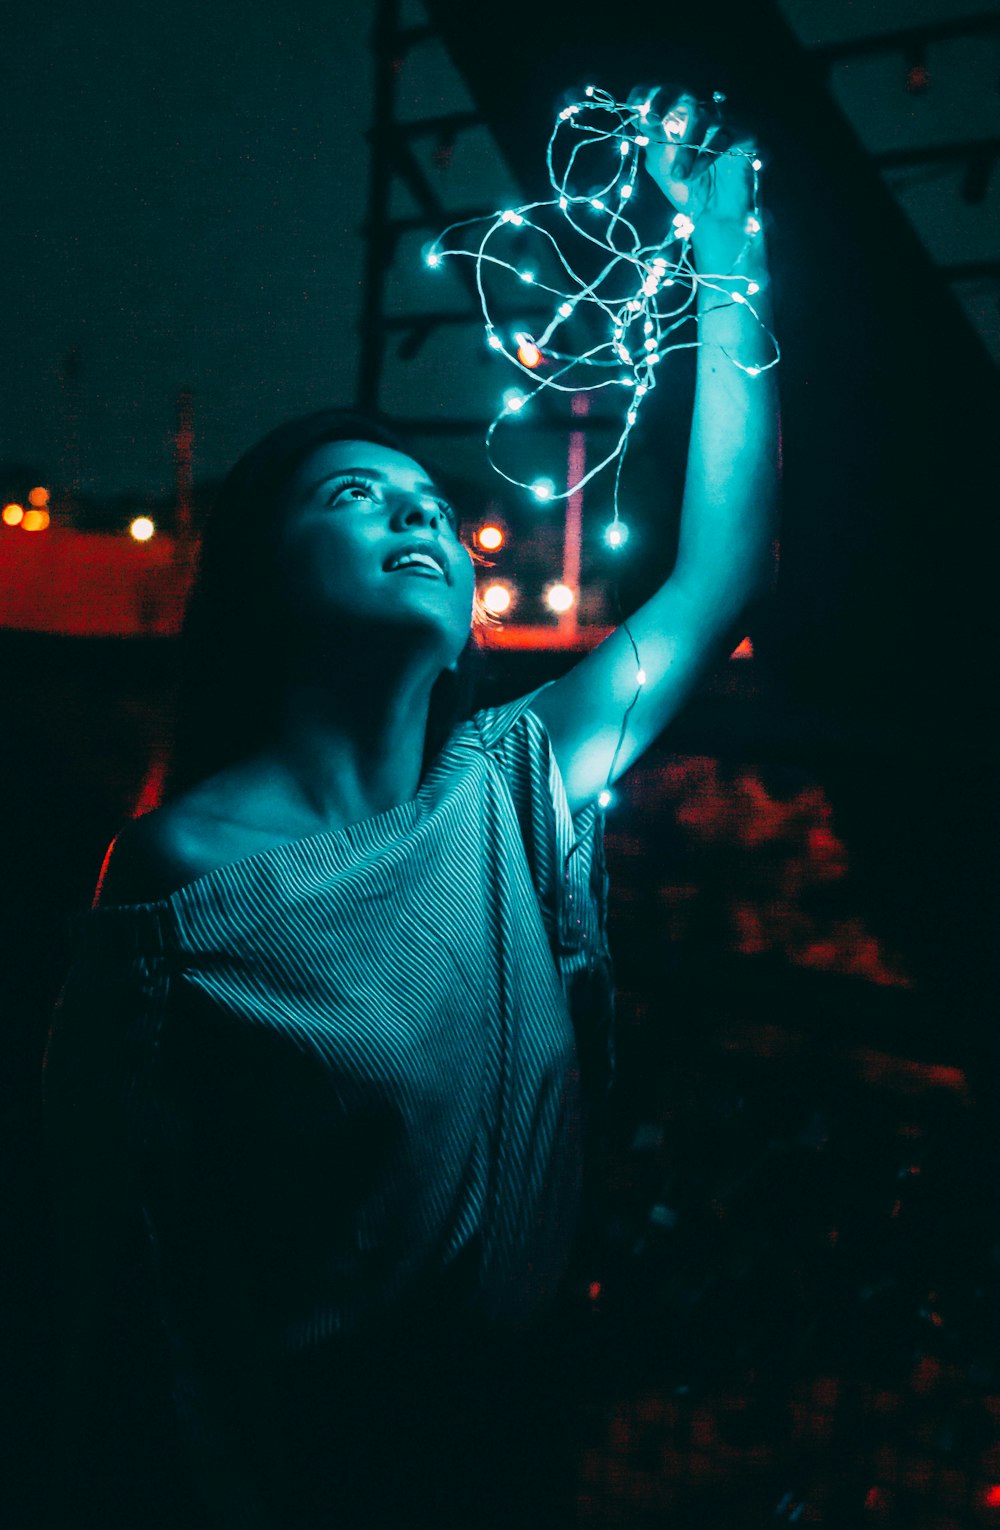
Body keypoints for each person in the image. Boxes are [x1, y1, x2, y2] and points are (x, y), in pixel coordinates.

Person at [42, 89, 779, 1529]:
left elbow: (721, 571)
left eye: (426, 498)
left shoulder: (515, 782)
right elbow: (99, 1258)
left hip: (505, 1466)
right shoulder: (174, 879)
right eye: (352, 496)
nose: (415, 513)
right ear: (262, 588)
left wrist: (730, 247)